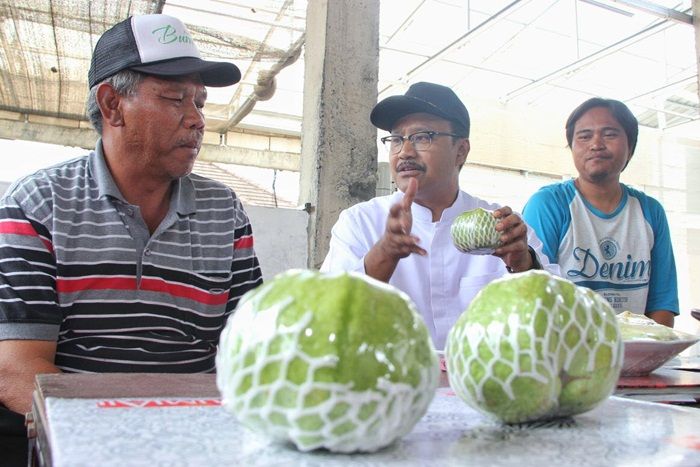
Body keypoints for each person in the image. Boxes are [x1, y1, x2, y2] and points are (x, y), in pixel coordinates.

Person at [0, 14, 263, 463]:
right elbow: (17, 369)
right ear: (112, 105)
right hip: (87, 443)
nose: (197, 120)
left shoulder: (225, 212)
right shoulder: (39, 203)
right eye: (175, 98)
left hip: (205, 440)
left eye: (199, 102)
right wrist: (126, 442)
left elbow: (255, 347)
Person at [321, 82, 557, 349]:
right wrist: (384, 253)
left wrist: (524, 264)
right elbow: (328, 317)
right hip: (391, 385)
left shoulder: (503, 227)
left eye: (423, 137)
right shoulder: (360, 222)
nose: (405, 152)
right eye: (397, 139)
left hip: (483, 385)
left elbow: (558, 317)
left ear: (461, 151)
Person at [522, 97, 678, 327]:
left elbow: (662, 303)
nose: (596, 144)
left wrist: (647, 355)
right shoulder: (548, 205)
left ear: (631, 147)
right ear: (572, 147)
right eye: (584, 136)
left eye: (610, 134)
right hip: (566, 354)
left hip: (635, 354)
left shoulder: (650, 211)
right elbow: (534, 295)